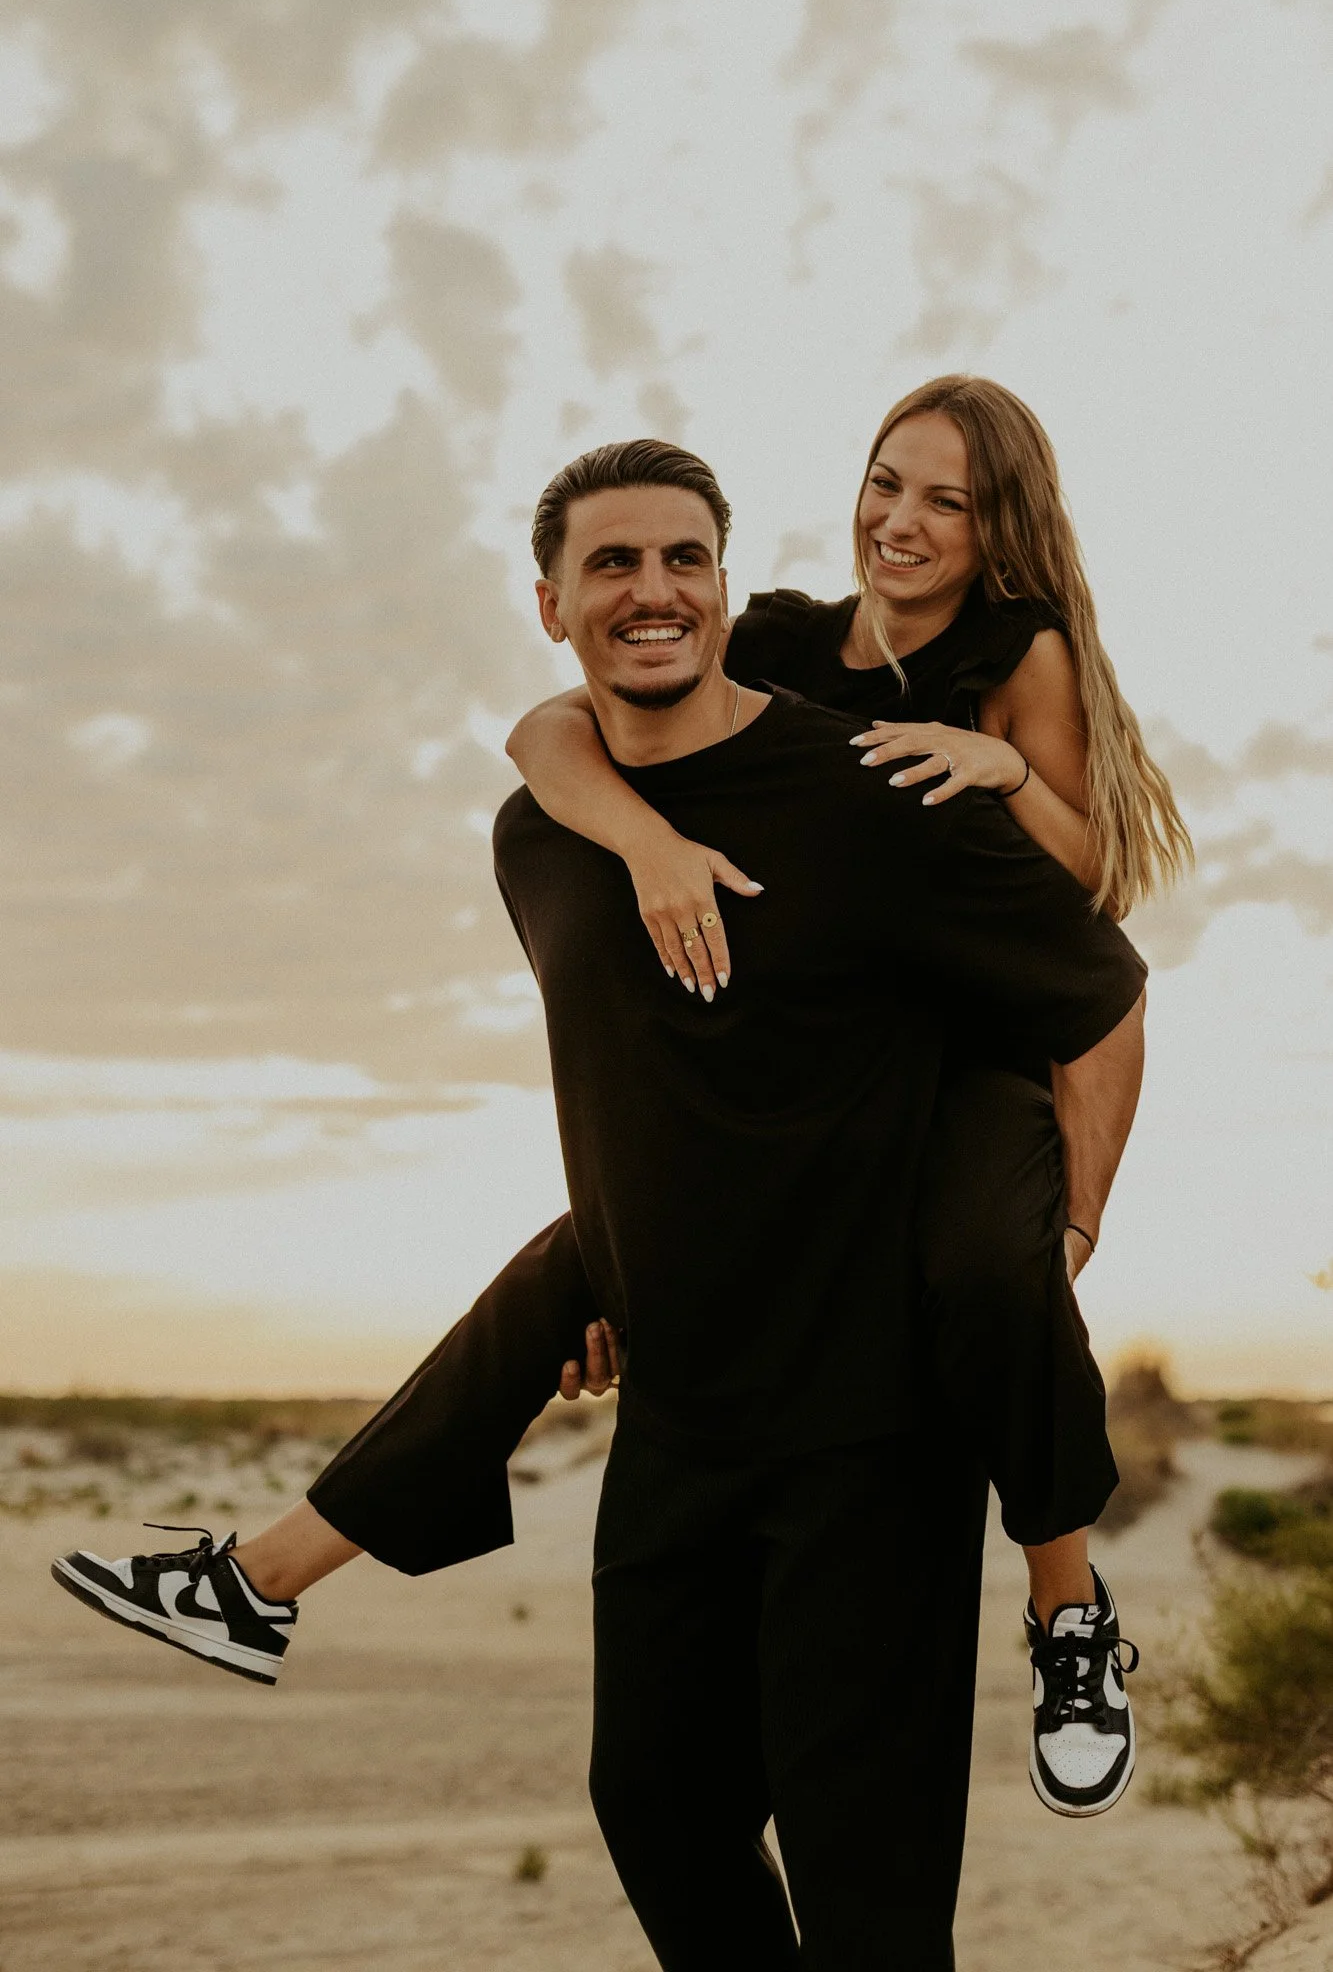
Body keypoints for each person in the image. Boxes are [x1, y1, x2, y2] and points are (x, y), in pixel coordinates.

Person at [56, 439, 1149, 1965]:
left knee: (870, 1900)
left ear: (724, 581)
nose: (655, 591)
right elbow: (664, 1078)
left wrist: (1060, 1239)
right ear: (553, 605)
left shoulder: (873, 789)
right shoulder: (539, 841)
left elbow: (1099, 993)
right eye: (614, 565)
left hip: (869, 1429)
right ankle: (262, 1585)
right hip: (683, 1429)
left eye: (684, 559)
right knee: (656, 1808)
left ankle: (1071, 1610)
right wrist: (623, 1263)